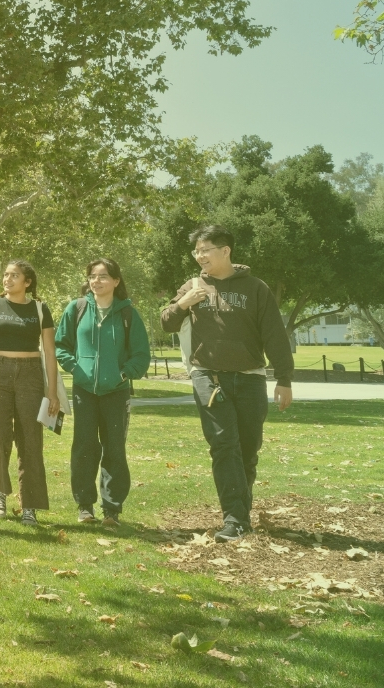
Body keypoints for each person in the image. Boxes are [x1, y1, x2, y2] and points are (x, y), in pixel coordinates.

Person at [160, 224, 294, 542]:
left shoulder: (256, 288)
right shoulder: (192, 285)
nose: (200, 256)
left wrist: (284, 378)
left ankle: (240, 515)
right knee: (224, 446)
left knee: (248, 450)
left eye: (205, 250)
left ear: (225, 251)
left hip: (250, 379)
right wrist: (183, 303)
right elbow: (166, 323)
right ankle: (234, 519)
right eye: (196, 252)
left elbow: (274, 335)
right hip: (209, 377)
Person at [54, 257, 151, 526]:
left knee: (115, 449)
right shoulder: (77, 308)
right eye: (92, 276)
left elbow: (141, 355)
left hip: (116, 392)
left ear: (116, 281)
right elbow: (60, 345)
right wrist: (76, 368)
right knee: (84, 447)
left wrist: (123, 373)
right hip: (84, 390)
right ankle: (85, 506)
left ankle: (112, 509)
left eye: (103, 276)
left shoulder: (128, 313)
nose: (96, 281)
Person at [0, 261, 61, 526]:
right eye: (6, 275)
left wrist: (51, 392)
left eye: (14, 275)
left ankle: (29, 503)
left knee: (31, 439)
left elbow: (50, 353)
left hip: (31, 374)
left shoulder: (40, 310)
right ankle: (0, 491)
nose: (7, 279)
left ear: (27, 282)